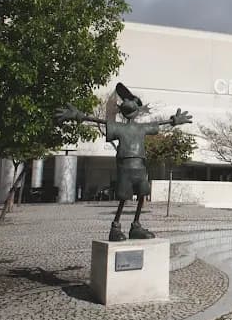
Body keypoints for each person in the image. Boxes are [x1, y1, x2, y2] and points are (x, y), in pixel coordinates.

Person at [56, 83, 192, 241]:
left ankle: (136, 226)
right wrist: (79, 116)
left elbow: (160, 124)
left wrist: (174, 121)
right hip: (125, 167)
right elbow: (100, 121)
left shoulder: (142, 128)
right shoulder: (118, 127)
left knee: (142, 194)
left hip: (140, 167)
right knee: (123, 197)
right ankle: (115, 227)